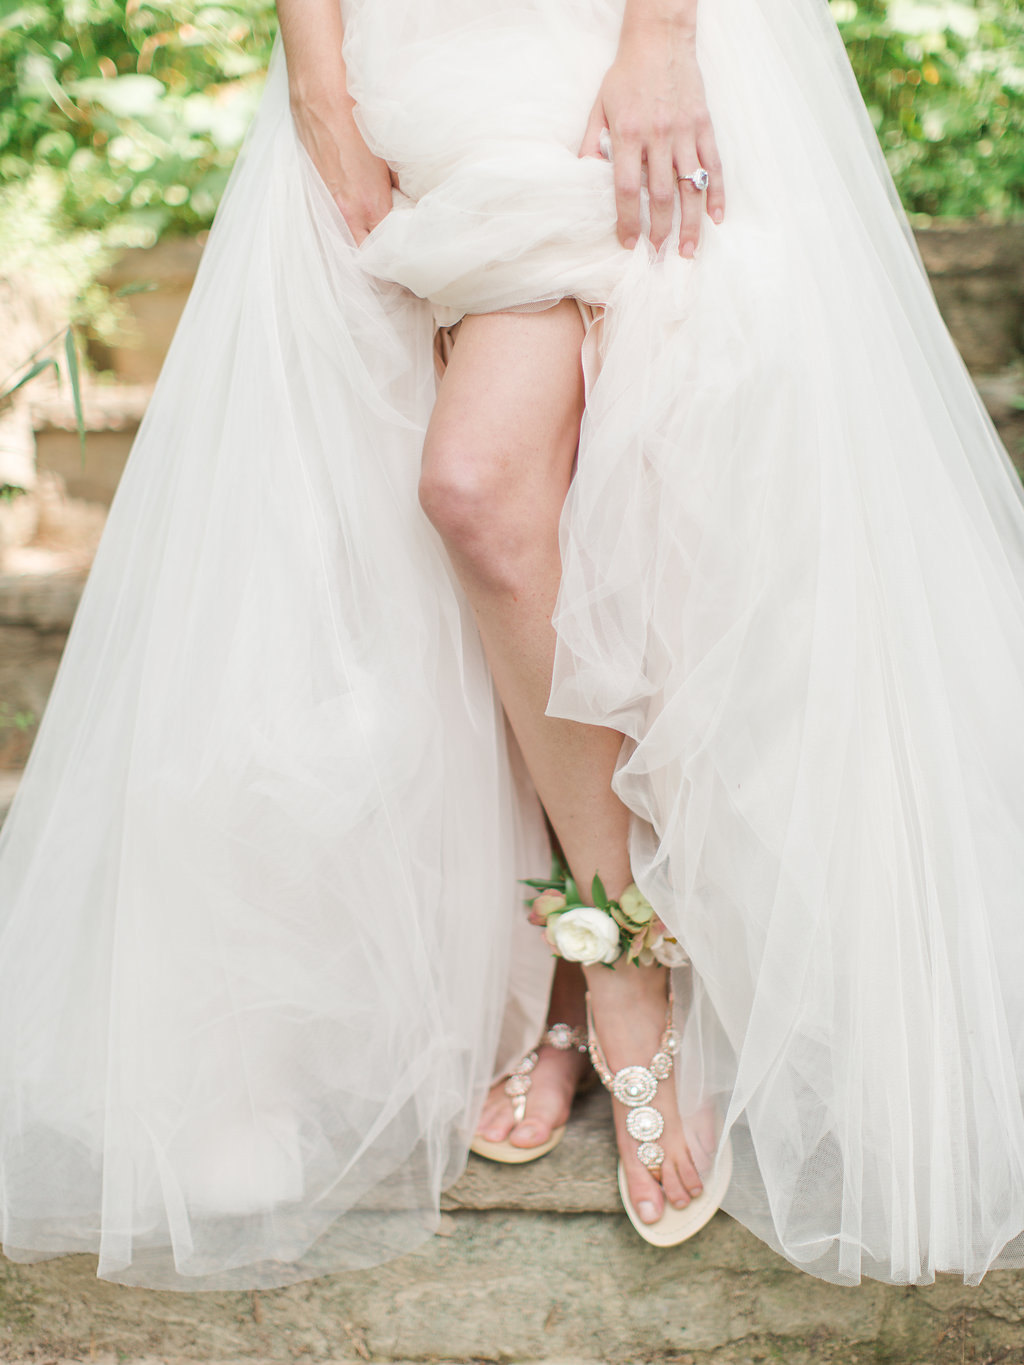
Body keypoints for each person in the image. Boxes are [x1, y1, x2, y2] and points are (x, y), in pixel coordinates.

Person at [3, 0, 1024, 1294]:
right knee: (411, 505)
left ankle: (619, 955)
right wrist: (319, 72)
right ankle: (536, 956)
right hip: (399, 51)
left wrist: (660, 35)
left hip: (590, 41)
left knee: (491, 482)